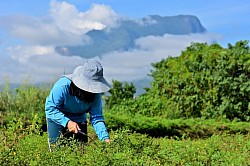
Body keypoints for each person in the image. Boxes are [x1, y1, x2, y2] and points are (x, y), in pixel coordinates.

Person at [45, 59, 111, 151]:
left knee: (80, 151)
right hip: (57, 117)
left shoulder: (95, 95)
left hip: (79, 118)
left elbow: (97, 117)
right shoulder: (63, 86)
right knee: (57, 150)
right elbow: (50, 108)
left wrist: (105, 138)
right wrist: (67, 122)